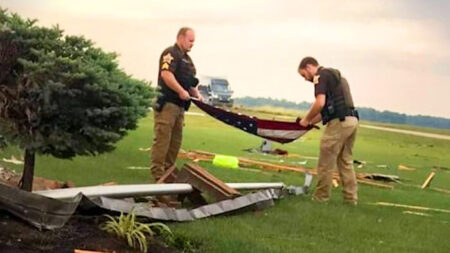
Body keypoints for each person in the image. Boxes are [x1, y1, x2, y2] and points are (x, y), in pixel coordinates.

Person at [297, 57, 359, 205]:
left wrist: (306, 119)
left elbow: (320, 103)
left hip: (339, 122)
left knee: (326, 162)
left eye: (304, 75)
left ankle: (320, 198)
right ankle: (351, 199)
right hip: (352, 120)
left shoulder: (321, 76)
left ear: (310, 67)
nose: (306, 79)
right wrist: (310, 122)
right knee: (345, 161)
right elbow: (325, 111)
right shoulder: (336, 77)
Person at [150, 27, 202, 181]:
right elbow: (166, 74)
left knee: (175, 142)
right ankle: (157, 173)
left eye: (194, 41)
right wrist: (180, 90)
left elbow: (189, 82)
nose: (192, 44)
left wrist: (195, 93)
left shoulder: (188, 60)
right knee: (162, 139)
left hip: (180, 106)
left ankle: (169, 172)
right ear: (180, 38)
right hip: (167, 103)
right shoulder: (170, 53)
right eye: (190, 40)